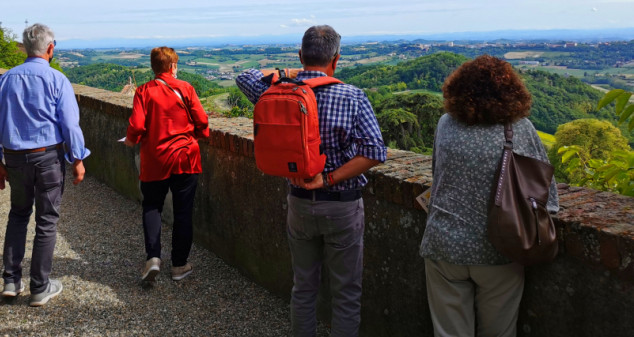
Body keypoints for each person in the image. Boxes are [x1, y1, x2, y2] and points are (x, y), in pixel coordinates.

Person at [236, 25, 386, 337]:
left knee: (303, 288)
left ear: (301, 55)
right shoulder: (352, 96)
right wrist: (329, 177)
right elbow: (374, 152)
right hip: (342, 206)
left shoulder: (276, 91)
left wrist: (291, 70)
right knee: (346, 293)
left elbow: (245, 75)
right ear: (337, 59)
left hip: (299, 204)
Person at [419, 55, 559, 337]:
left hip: (443, 245)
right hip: (499, 248)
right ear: (512, 91)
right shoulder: (521, 129)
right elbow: (548, 197)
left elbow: (438, 173)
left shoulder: (446, 123)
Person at [0, 23, 89, 307]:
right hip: (47, 158)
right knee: (47, 221)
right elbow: (69, 124)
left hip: (14, 158)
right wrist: (78, 159)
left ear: (26, 48)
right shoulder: (57, 80)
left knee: (18, 215)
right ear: (50, 49)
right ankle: (40, 287)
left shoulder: (6, 79)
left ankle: (11, 281)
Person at [124, 47, 210, 283]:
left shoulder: (143, 91)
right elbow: (202, 121)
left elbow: (138, 125)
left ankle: (153, 258)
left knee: (152, 206)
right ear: (173, 66)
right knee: (183, 212)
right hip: (185, 157)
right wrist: (200, 134)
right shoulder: (186, 88)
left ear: (154, 67)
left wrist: (131, 140)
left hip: (154, 159)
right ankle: (179, 266)